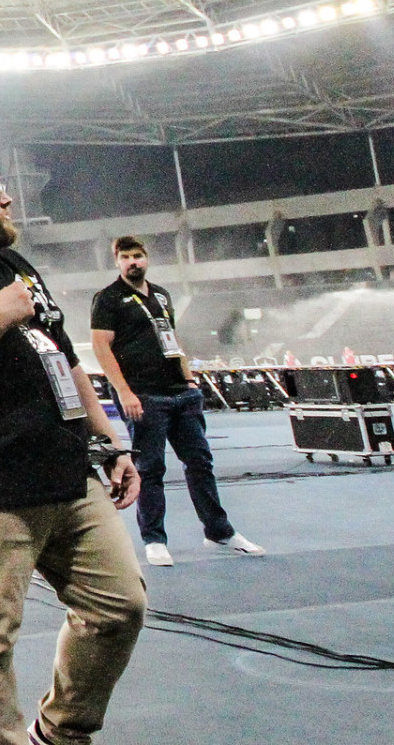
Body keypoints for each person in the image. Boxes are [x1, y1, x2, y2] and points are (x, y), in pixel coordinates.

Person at [0, 149, 146, 745]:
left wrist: (110, 440)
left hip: (68, 472)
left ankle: (62, 731)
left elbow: (66, 358)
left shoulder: (14, 263)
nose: (7, 198)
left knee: (120, 606)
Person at [91, 236, 262, 566]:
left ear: (147, 258)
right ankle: (154, 538)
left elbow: (172, 340)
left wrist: (190, 380)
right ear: (117, 262)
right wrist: (124, 392)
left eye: (137, 256)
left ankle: (218, 530)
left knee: (200, 462)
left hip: (180, 392)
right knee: (151, 467)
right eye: (125, 257)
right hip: (143, 394)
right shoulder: (108, 299)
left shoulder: (161, 295)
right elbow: (101, 347)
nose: (132, 262)